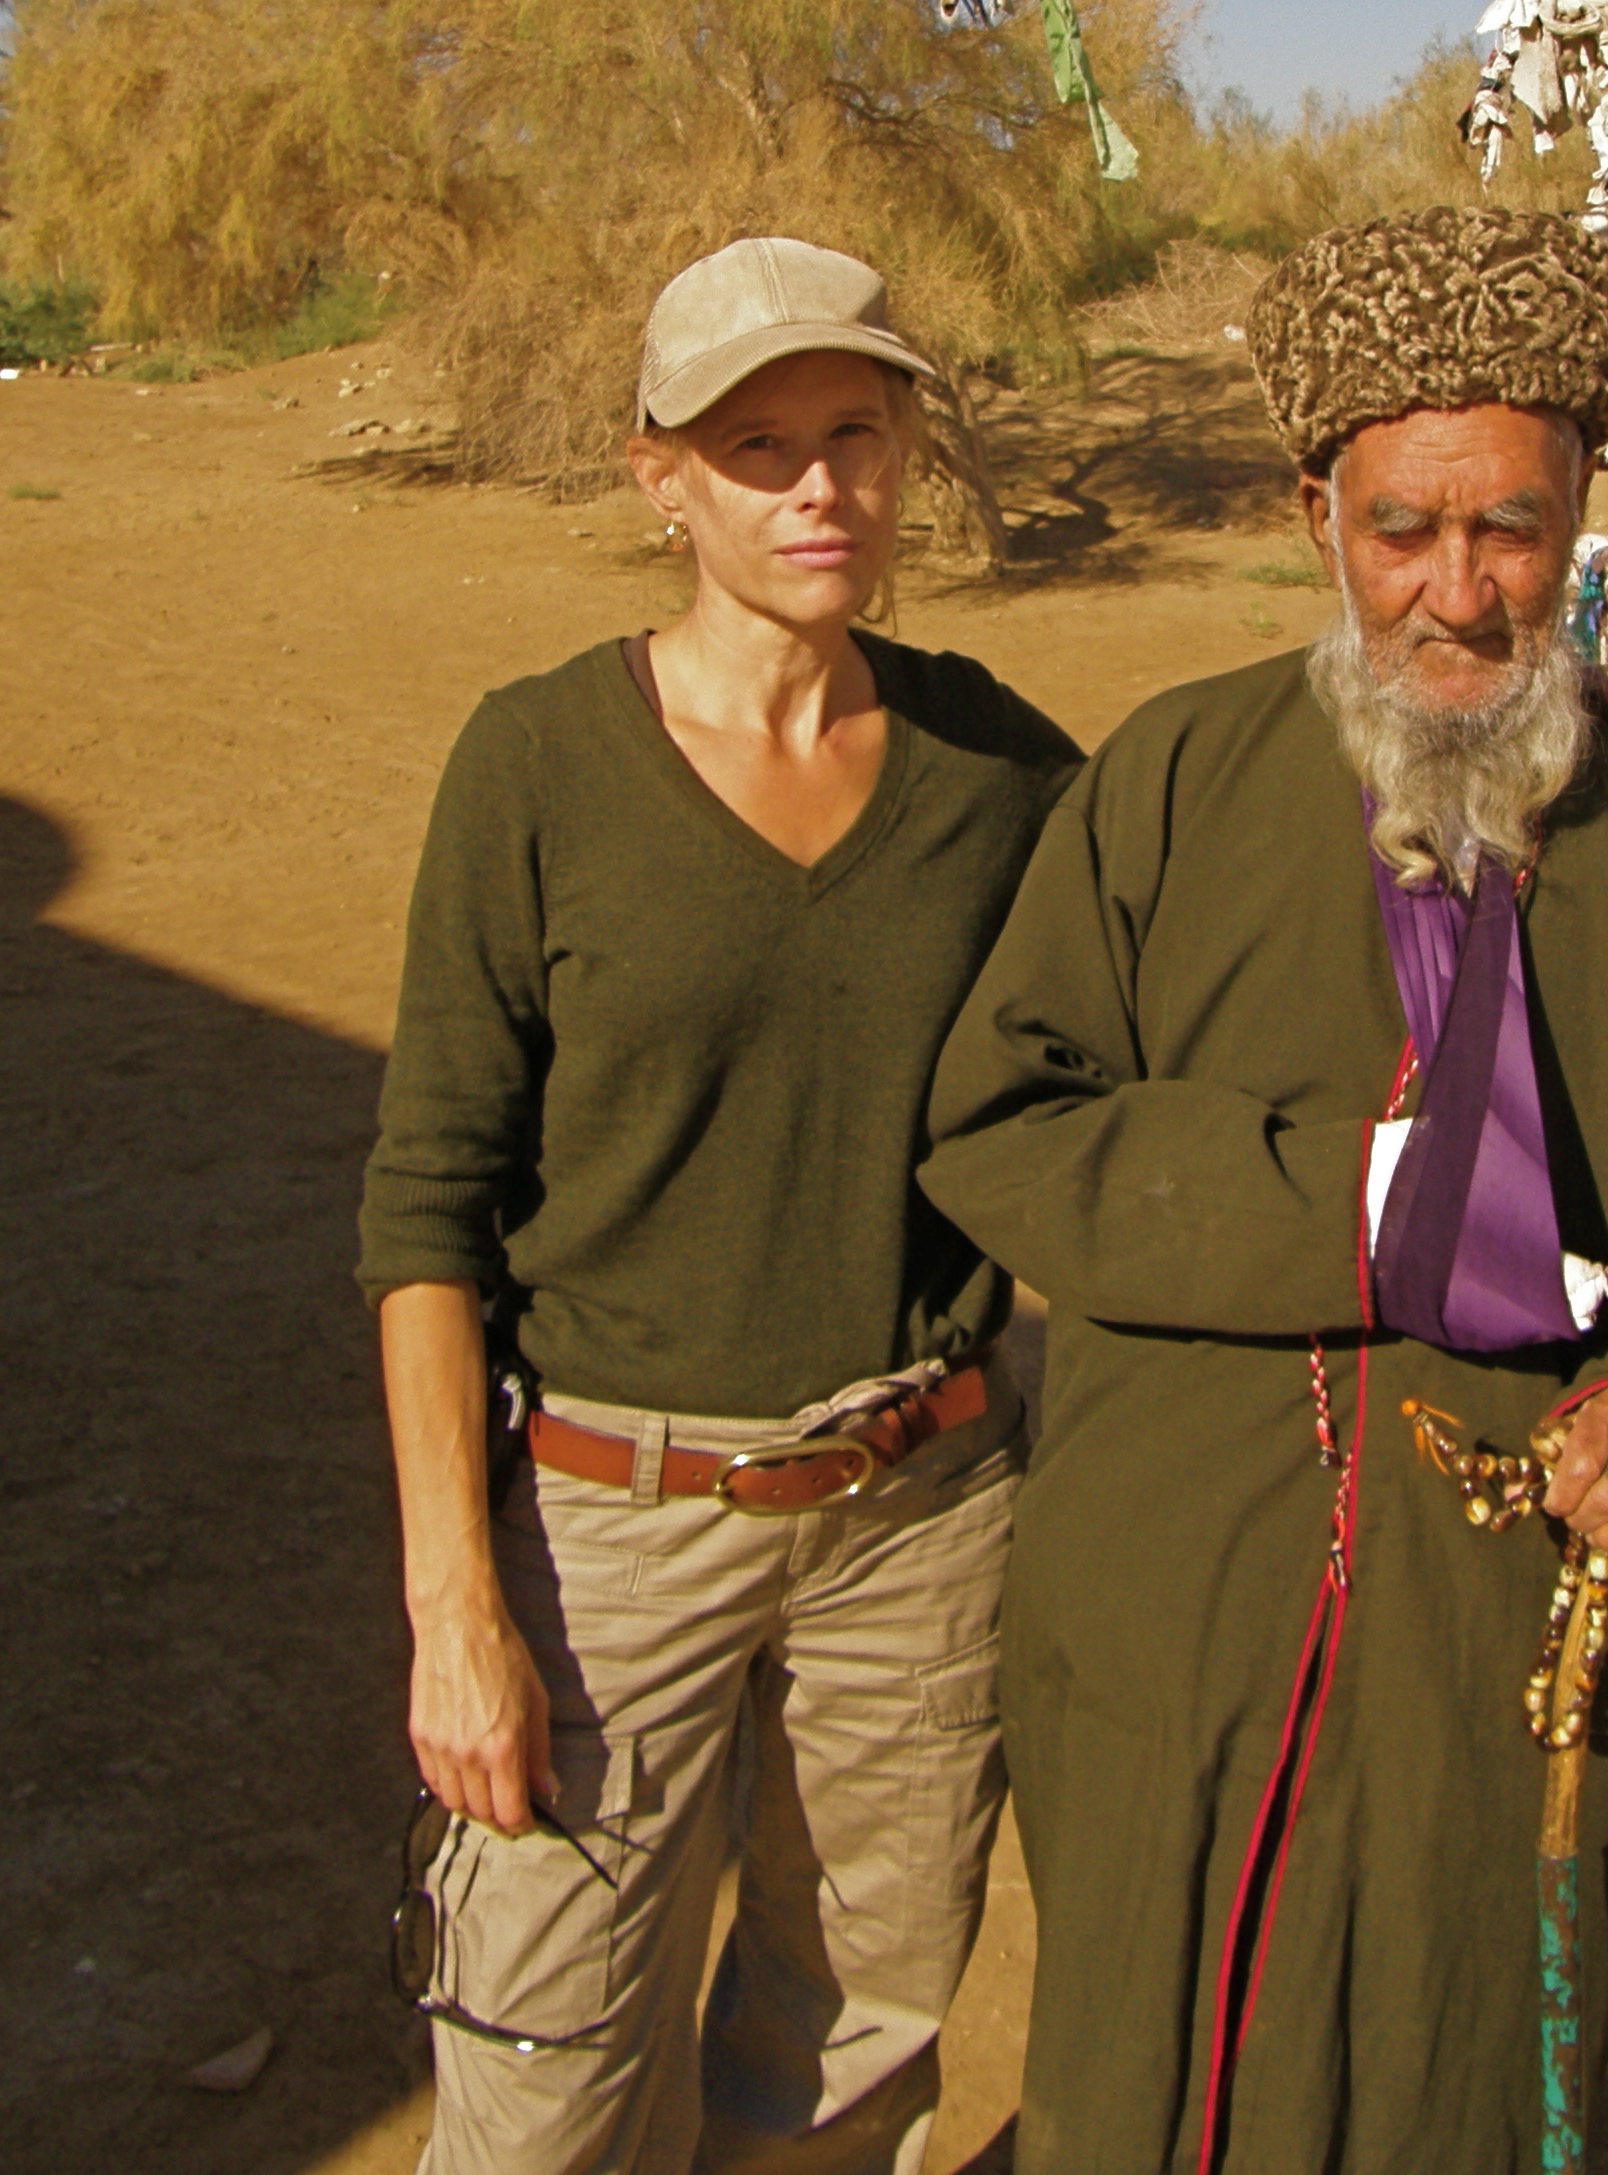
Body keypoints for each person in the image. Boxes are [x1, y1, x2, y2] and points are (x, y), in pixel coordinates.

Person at [919, 205, 1608, 2173]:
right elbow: (1003, 1116)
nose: (1457, 591)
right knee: (1147, 2065)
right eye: (1400, 529)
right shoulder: (1173, 780)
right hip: (1178, 1598)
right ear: (1314, 513)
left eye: (1508, 527)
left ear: (1578, 509)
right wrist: (1354, 1212)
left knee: (1454, 2073)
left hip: (1513, 1609)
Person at [358, 237, 1080, 2175]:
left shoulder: (993, 765)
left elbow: (1175, 979)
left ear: (909, 448)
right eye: (757, 444)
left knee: (846, 2059)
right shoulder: (535, 764)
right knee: (542, 2083)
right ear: (657, 474)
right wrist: (455, 1609)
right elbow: (426, 1203)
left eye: (855, 431)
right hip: (612, 1537)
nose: (818, 486)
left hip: (918, 1520)